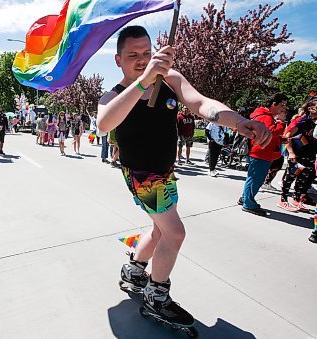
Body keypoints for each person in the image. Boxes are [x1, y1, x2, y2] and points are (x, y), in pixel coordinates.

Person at [97, 26, 270, 327]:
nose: (142, 60)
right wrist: (142, 81)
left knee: (160, 230)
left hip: (165, 172)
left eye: (147, 54)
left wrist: (239, 120)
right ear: (117, 60)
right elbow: (103, 124)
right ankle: (156, 297)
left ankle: (135, 271)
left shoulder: (171, 80)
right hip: (142, 175)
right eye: (133, 56)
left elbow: (201, 104)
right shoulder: (114, 95)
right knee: (175, 232)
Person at [237, 94, 287, 216]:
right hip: (261, 153)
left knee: (253, 179)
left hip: (261, 152)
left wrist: (280, 140)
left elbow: (268, 135)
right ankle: (248, 204)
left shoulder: (264, 115)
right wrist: (281, 123)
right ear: (273, 104)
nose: (283, 109)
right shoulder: (265, 116)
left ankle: (245, 198)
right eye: (282, 105)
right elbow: (269, 132)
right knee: (255, 180)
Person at [278, 98, 316, 211]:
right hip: (297, 155)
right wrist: (290, 152)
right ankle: (283, 200)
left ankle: (296, 200)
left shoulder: (315, 121)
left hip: (310, 155)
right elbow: (287, 136)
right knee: (290, 177)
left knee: (303, 179)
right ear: (310, 108)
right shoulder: (302, 121)